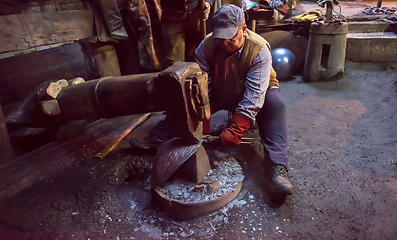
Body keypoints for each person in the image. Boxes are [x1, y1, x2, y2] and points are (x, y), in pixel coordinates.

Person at [195, 4, 294, 195]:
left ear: (244, 30)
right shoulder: (205, 47)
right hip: (219, 90)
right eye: (220, 38)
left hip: (252, 92)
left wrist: (236, 126)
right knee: (187, 106)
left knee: (275, 104)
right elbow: (202, 87)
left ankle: (277, 167)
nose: (224, 44)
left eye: (230, 38)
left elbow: (254, 96)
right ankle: (166, 135)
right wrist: (201, 117)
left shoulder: (259, 49)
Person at [160, 0, 214, 67]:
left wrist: (208, 3)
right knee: (175, 66)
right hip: (172, 15)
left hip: (197, 12)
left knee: (199, 61)